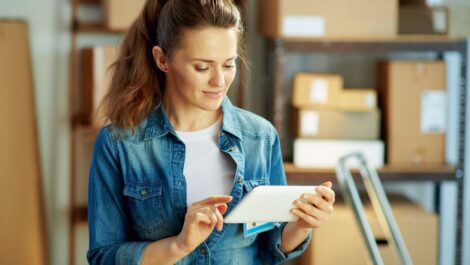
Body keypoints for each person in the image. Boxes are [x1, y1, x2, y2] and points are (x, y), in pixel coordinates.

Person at [87, 0, 335, 264]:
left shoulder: (260, 137)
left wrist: (303, 224)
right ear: (162, 59)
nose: (219, 81)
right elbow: (104, 256)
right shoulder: (120, 144)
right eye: (202, 67)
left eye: (228, 65)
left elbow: (269, 247)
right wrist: (178, 245)